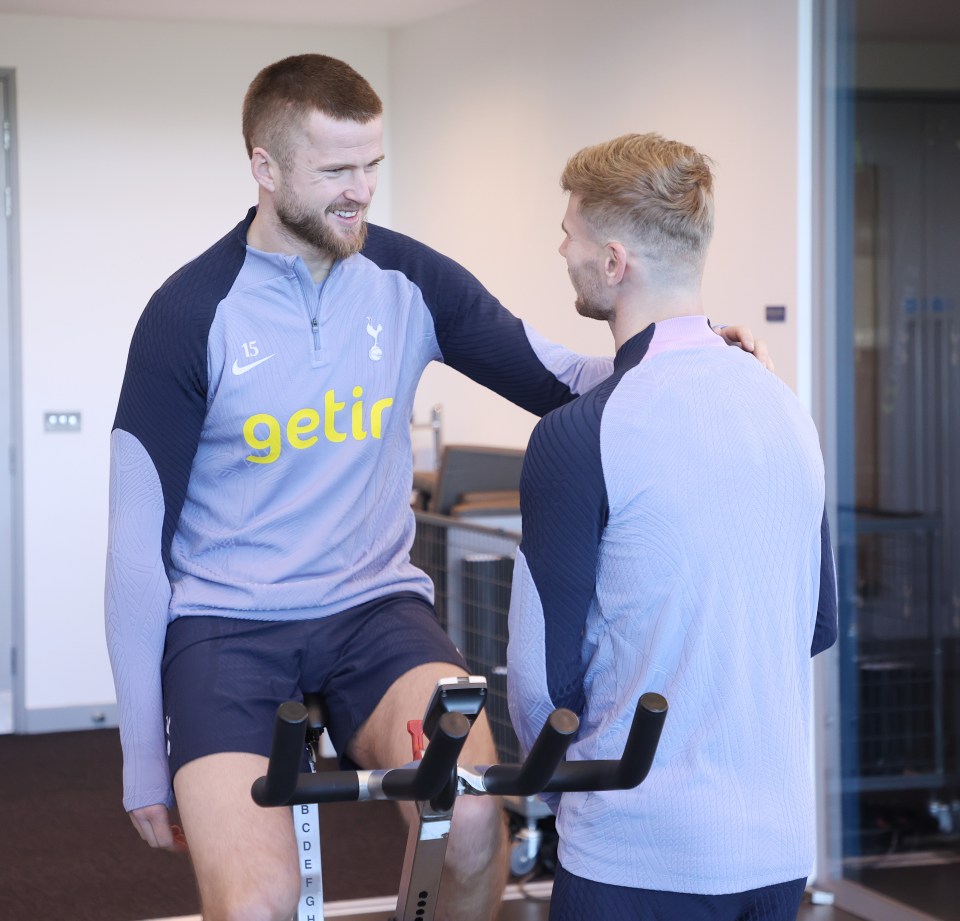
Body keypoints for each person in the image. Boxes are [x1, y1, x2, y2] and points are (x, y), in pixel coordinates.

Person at [105, 55, 770, 921]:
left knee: (471, 822)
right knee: (256, 904)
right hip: (227, 626)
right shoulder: (189, 313)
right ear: (265, 169)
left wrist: (683, 357)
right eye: (337, 170)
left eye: (373, 165)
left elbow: (556, 374)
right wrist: (139, 756)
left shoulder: (405, 278)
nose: (361, 191)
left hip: (373, 612)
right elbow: (133, 544)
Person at [506, 132, 838, 921]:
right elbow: (818, 623)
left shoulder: (577, 434)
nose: (562, 248)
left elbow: (538, 685)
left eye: (571, 233)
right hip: (775, 854)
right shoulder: (788, 409)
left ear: (614, 263)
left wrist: (552, 789)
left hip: (636, 854)